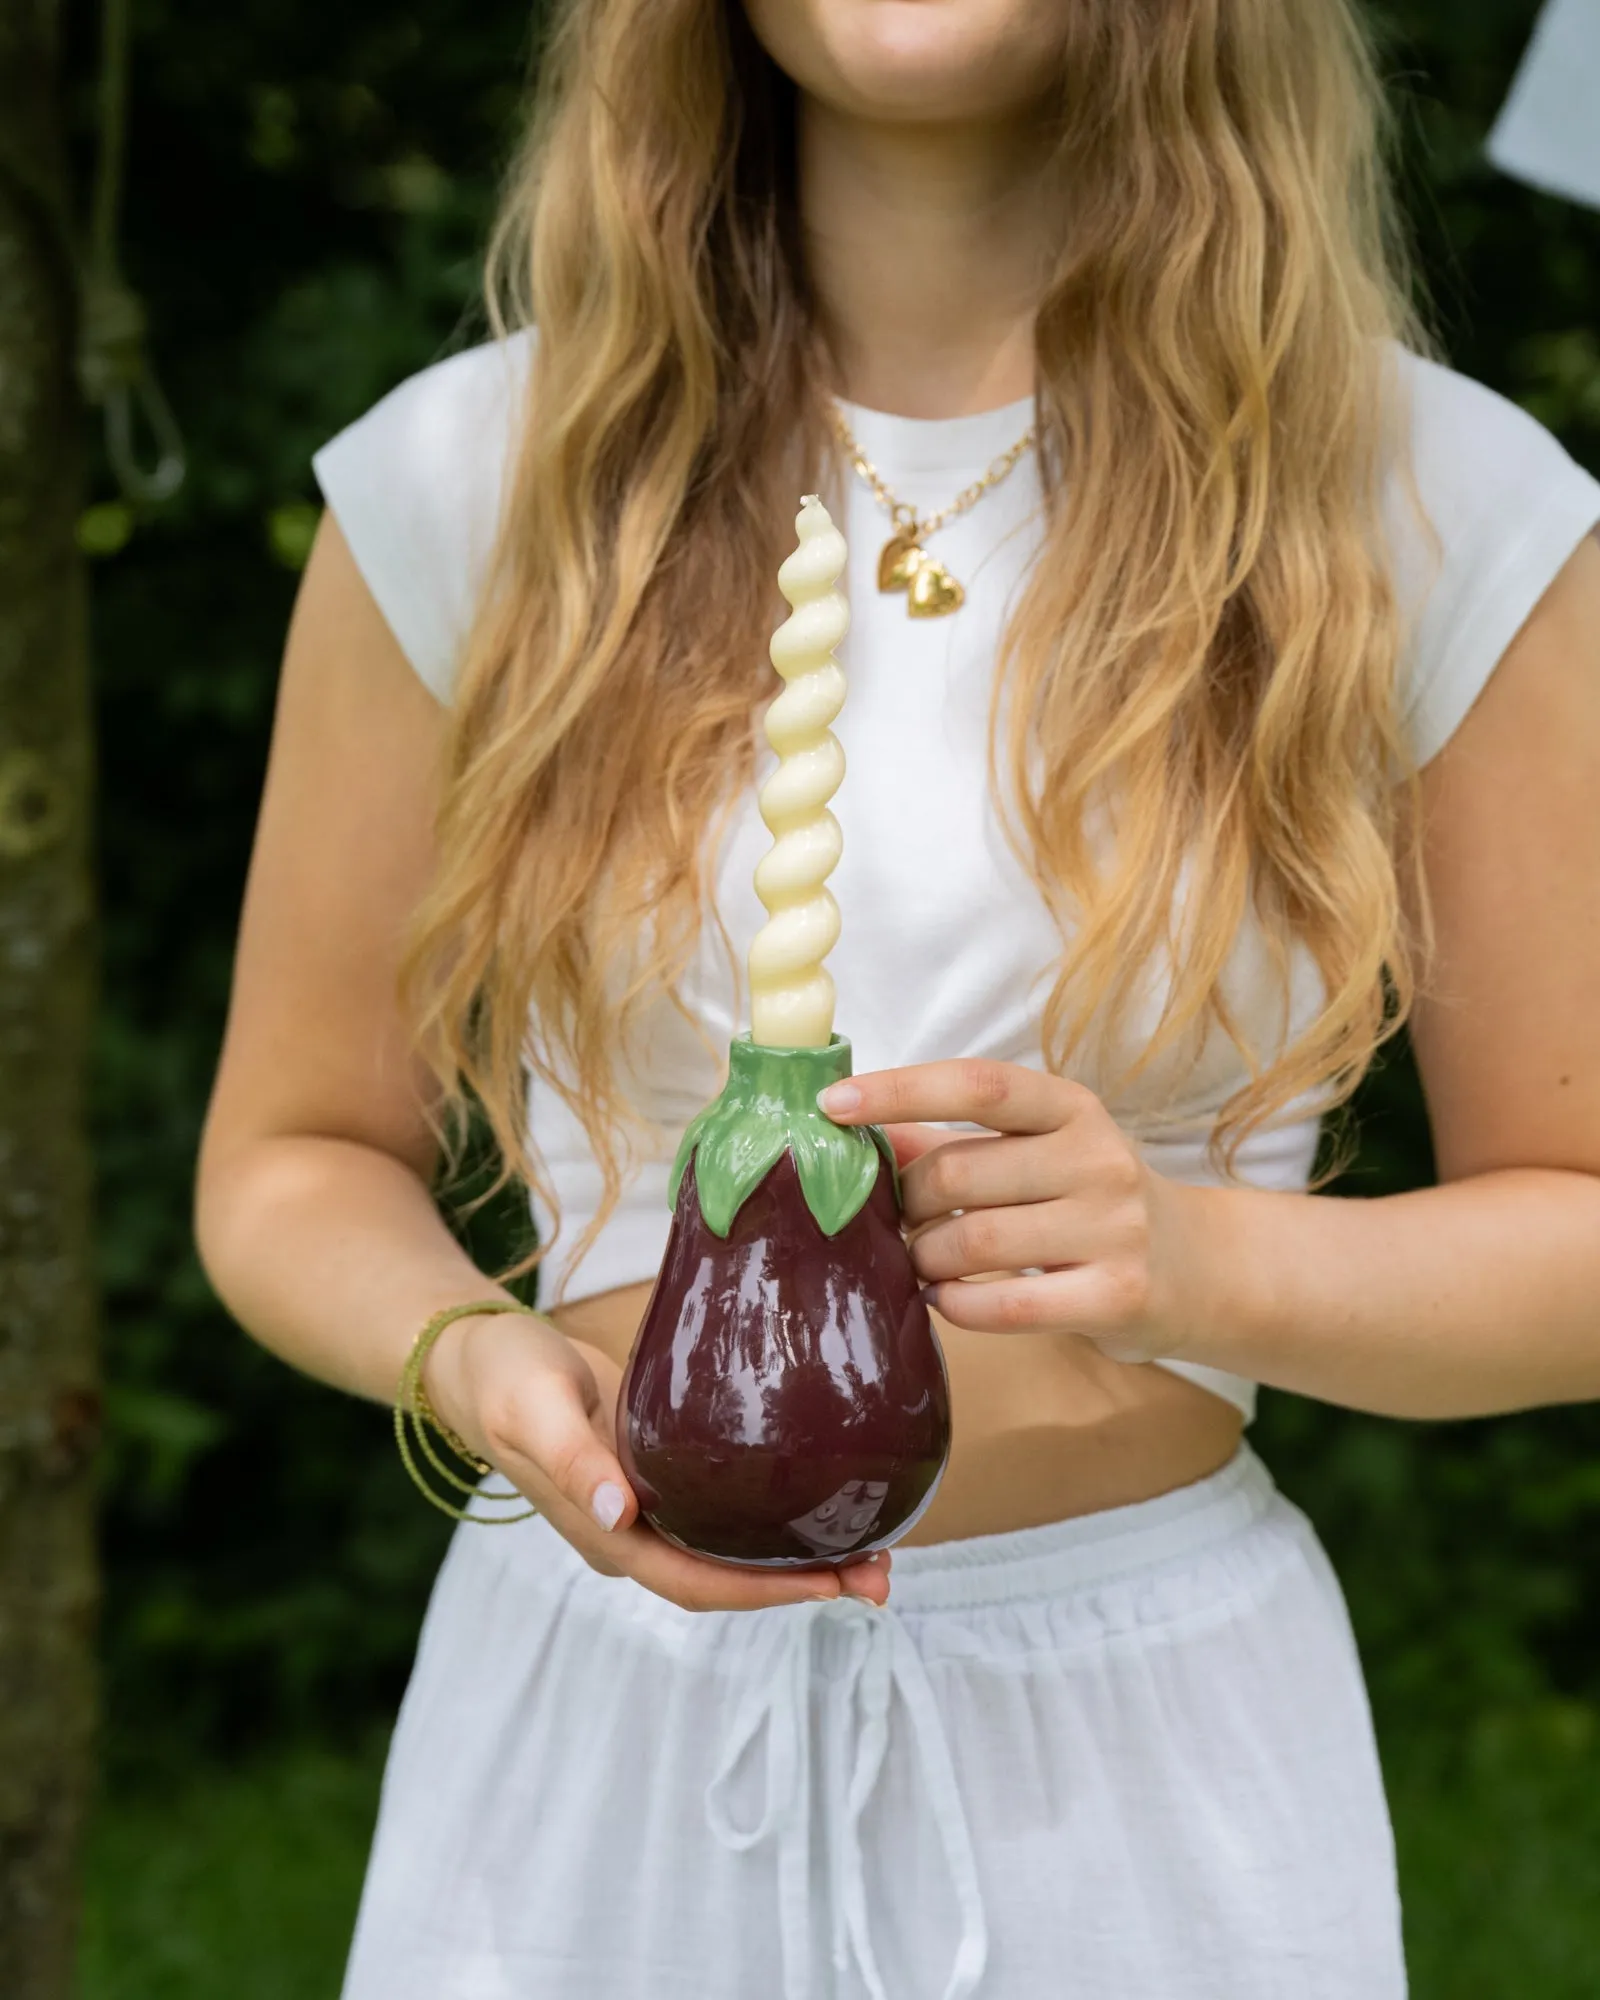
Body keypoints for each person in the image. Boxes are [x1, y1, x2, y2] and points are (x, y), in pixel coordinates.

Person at [193, 2, 1600, 1994]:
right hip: (588, 1757)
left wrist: (1192, 1258)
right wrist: (465, 1362)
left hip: (1141, 1775)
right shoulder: (482, 482)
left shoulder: (1415, 504)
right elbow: (286, 1155)